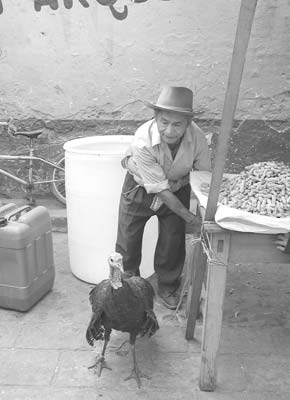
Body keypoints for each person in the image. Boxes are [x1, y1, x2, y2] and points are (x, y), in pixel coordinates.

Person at [115, 86, 211, 310]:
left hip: (179, 186)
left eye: (178, 124)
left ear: (187, 123)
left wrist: (205, 212)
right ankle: (130, 289)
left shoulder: (197, 138)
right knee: (128, 240)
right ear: (155, 118)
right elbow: (160, 189)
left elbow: (203, 176)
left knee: (173, 239)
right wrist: (190, 217)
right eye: (164, 122)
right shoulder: (142, 139)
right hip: (139, 189)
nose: (169, 130)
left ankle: (167, 286)